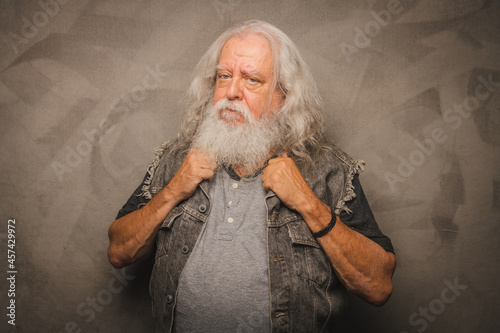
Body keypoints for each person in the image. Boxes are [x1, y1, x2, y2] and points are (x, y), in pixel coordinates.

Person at [107, 20, 396, 332]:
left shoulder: (329, 169)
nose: (231, 92)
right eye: (224, 77)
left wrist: (308, 203)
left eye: (252, 80)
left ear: (285, 96)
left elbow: (377, 286)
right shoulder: (177, 159)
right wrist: (173, 190)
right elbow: (119, 251)